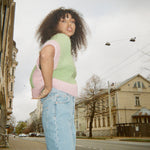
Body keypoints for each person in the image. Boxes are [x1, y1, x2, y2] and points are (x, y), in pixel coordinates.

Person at [34, 7, 88, 150]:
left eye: (73, 21)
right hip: (59, 98)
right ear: (55, 25)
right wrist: (48, 86)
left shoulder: (63, 42)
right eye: (63, 20)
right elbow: (45, 55)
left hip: (61, 100)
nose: (69, 24)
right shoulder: (61, 38)